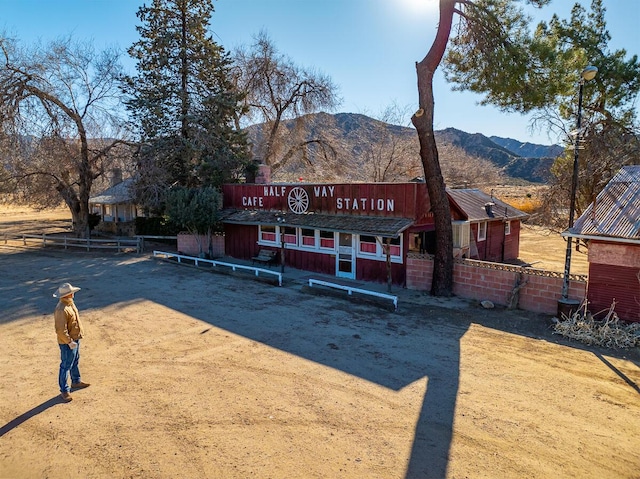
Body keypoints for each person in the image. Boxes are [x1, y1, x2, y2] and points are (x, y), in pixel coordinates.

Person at [53, 282, 90, 402]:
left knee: (74, 361)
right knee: (65, 365)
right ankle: (64, 390)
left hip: (75, 338)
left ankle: (76, 381)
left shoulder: (69, 304)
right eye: (71, 292)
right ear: (68, 295)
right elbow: (60, 330)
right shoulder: (61, 309)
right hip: (67, 342)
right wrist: (69, 342)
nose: (73, 294)